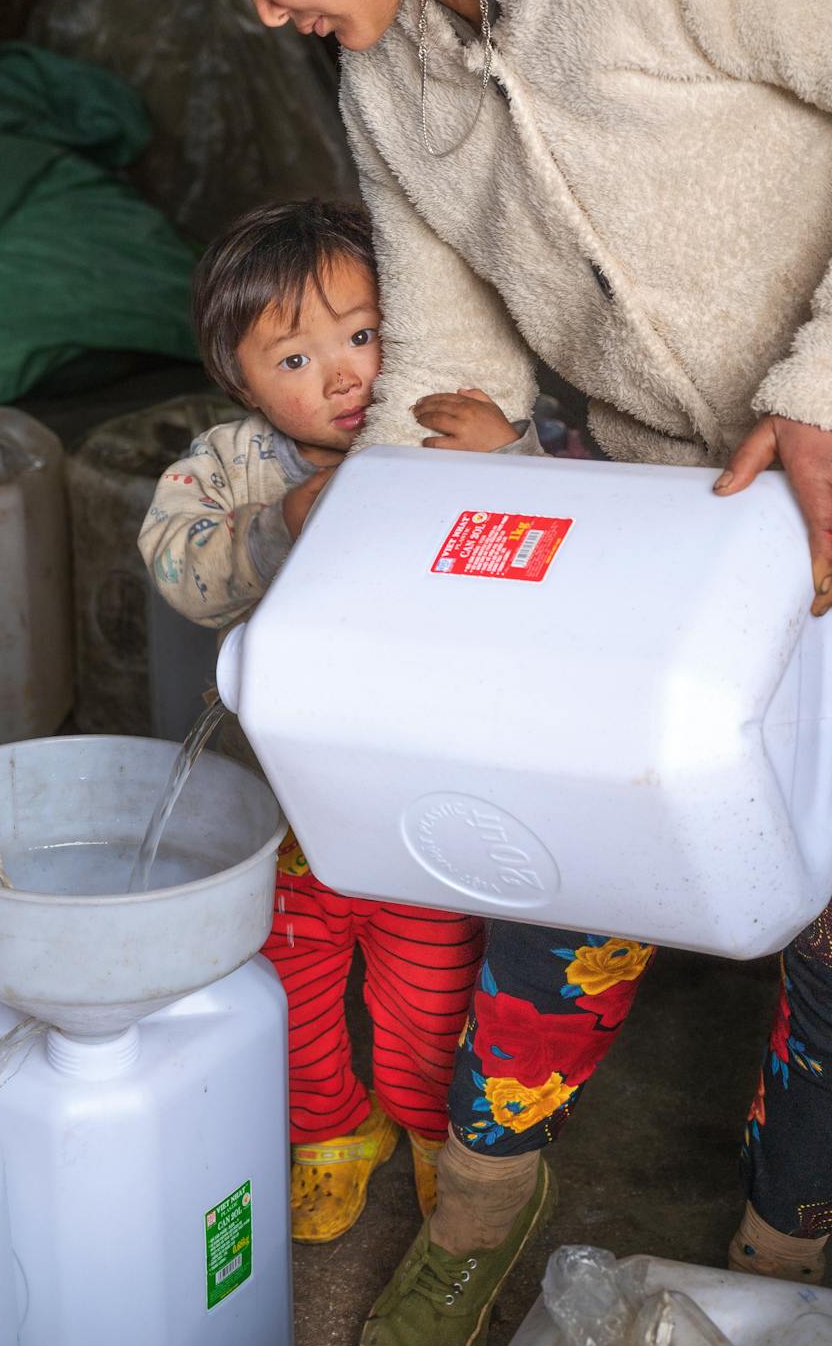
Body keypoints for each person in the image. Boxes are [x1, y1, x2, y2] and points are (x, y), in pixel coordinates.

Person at [131, 0, 832, 1346]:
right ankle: (482, 1192)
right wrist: (370, 592)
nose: (260, 6)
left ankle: (774, 1261)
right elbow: (443, 363)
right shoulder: (388, 63)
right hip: (671, 513)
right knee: (548, 862)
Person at [139, 198, 541, 1243]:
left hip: (422, 816)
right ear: (237, 379)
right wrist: (282, 522)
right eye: (295, 357)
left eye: (362, 334)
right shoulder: (232, 465)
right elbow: (180, 564)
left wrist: (509, 461)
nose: (345, 374)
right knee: (293, 989)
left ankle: (420, 1125)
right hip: (285, 827)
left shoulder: (438, 434)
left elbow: (553, 558)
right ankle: (329, 1132)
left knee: (429, 990)